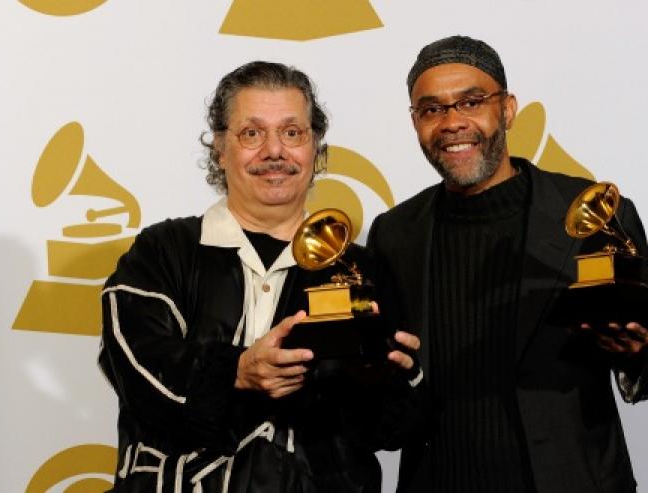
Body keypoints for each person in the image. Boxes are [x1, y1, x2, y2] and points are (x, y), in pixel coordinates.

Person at [367, 36, 648, 493]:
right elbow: (394, 378)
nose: (452, 123)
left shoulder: (591, 210)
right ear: (415, 122)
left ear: (508, 109)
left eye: (471, 102)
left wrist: (640, 350)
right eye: (431, 110)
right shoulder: (394, 233)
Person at [98, 61, 420, 493]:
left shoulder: (360, 266)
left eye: (292, 132)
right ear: (219, 146)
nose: (274, 151)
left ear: (315, 148)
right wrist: (236, 371)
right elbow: (134, 364)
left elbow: (387, 431)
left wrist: (383, 378)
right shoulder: (163, 250)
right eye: (252, 133)